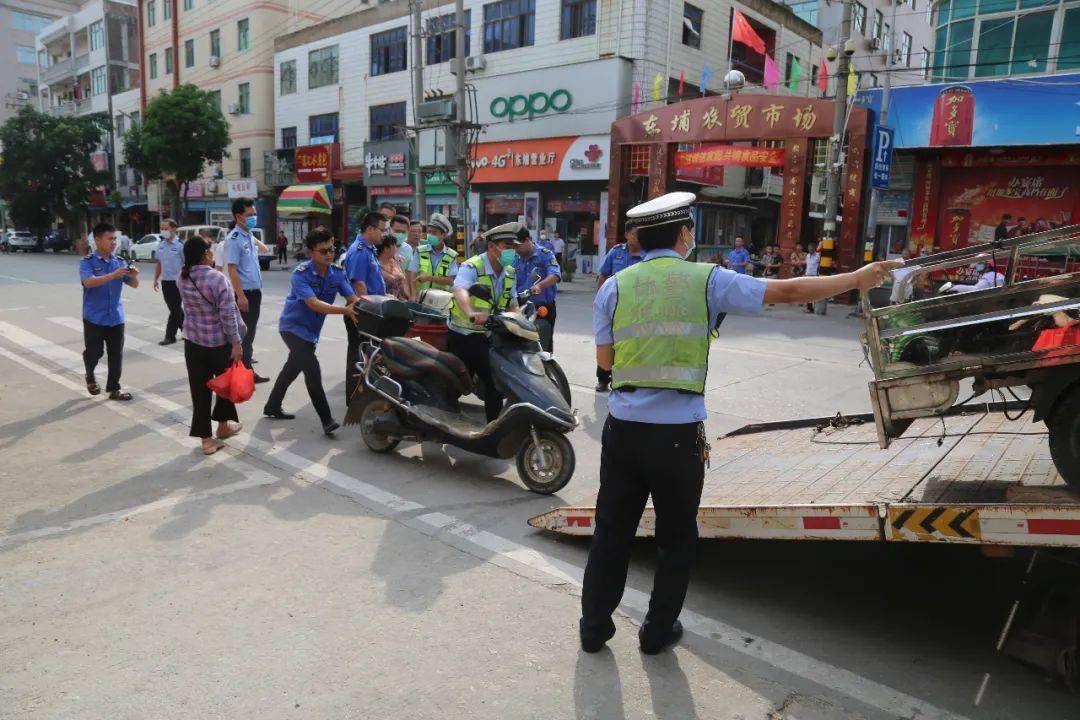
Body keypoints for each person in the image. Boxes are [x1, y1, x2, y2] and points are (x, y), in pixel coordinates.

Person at [581, 192, 901, 655]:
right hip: (676, 437)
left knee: (611, 531)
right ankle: (656, 632)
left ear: (641, 237)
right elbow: (788, 291)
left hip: (624, 430)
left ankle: (594, 629)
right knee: (675, 537)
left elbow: (605, 362)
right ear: (684, 233)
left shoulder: (614, 286)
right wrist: (857, 278)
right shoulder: (707, 280)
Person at [263, 229, 359, 436]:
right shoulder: (301, 273)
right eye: (323, 250)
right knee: (312, 371)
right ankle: (327, 420)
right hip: (292, 328)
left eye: (331, 249)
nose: (328, 254)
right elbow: (313, 304)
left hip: (311, 331)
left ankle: (272, 406)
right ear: (311, 252)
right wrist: (344, 310)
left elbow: (353, 299)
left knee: (291, 369)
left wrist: (372, 304)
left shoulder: (337, 273)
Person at [177, 235, 245, 455]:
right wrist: (236, 342)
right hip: (218, 343)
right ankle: (223, 425)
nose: (213, 253)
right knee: (226, 385)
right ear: (205, 254)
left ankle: (207, 439)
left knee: (200, 391)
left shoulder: (182, 276)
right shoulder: (217, 279)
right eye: (211, 250)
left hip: (193, 342)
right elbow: (228, 315)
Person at [448, 222, 521, 422]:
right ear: (491, 247)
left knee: (495, 383)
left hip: (490, 336)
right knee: (458, 384)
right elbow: (460, 291)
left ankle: (493, 428)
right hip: (465, 334)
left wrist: (520, 321)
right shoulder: (472, 266)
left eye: (514, 248)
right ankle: (441, 416)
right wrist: (471, 312)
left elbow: (512, 303)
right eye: (507, 247)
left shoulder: (510, 272)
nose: (512, 252)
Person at [80, 222, 139, 401]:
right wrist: (113, 275)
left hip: (116, 316)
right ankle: (90, 374)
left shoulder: (119, 261)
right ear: (97, 240)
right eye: (109, 238)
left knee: (116, 354)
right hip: (94, 317)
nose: (113, 242)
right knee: (94, 352)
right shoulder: (87, 261)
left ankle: (114, 388)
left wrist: (134, 275)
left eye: (115, 239)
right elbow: (88, 282)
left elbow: (134, 284)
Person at [342, 211, 387, 403]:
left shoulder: (368, 249)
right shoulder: (359, 251)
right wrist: (377, 306)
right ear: (370, 229)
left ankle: (363, 394)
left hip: (370, 309)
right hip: (362, 311)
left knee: (368, 354)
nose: (384, 235)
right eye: (382, 230)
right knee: (358, 355)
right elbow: (360, 286)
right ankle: (355, 398)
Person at [594, 223, 644, 392]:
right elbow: (603, 275)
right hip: (613, 307)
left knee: (630, 345)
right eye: (636, 233)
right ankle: (603, 378)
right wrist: (600, 301)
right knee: (607, 341)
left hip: (636, 309)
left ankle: (624, 380)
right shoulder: (616, 252)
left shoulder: (648, 255)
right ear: (627, 234)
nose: (638, 237)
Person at [225, 197, 270, 383]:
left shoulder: (248, 236)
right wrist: (241, 296)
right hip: (245, 295)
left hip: (255, 292)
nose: (254, 217)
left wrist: (251, 235)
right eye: (249, 215)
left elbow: (265, 250)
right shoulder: (234, 239)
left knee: (249, 334)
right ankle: (241, 373)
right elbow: (232, 270)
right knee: (244, 335)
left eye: (255, 214)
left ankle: (246, 371)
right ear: (238, 216)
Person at [513, 225, 561, 352]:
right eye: (514, 246)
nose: (516, 249)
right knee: (519, 346)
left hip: (541, 309)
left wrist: (540, 285)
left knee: (543, 348)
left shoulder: (545, 254)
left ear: (528, 240)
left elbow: (555, 275)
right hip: (519, 307)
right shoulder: (514, 258)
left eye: (518, 245)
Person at [153, 218, 185, 346]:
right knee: (175, 308)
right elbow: (159, 263)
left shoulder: (180, 245)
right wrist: (156, 279)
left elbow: (186, 263)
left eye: (166, 228)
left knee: (174, 309)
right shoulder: (161, 245)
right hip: (165, 282)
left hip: (178, 282)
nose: (163, 231)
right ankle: (187, 329)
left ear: (174, 229)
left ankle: (170, 336)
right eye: (162, 228)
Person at [415, 213, 459, 295]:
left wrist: (428, 278)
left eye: (434, 233)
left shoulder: (451, 255)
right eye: (429, 232)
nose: (430, 235)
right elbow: (411, 274)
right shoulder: (419, 251)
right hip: (420, 299)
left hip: (441, 301)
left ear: (444, 235)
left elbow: (450, 280)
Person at [390, 214, 417, 300]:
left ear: (408, 231)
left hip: (400, 294)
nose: (400, 234)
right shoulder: (380, 246)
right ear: (390, 229)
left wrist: (411, 296)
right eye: (397, 231)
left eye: (403, 232)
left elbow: (408, 274)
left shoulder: (408, 249)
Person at [803, 241, 822, 313]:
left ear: (814, 248)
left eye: (811, 248)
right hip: (807, 275)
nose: (810, 249)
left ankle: (811, 308)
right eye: (809, 248)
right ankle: (809, 307)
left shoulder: (818, 255)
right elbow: (808, 266)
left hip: (814, 276)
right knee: (808, 292)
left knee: (812, 292)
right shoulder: (807, 255)